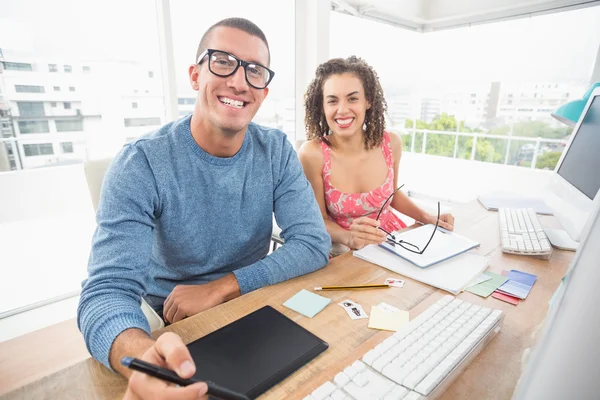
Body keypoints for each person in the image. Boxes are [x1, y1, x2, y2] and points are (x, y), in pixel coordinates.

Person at [78, 17, 330, 399]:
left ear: (263, 92)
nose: (240, 81)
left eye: (255, 71)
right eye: (223, 61)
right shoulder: (142, 163)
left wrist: (223, 287)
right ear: (195, 76)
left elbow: (313, 243)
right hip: (173, 321)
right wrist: (144, 360)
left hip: (249, 306)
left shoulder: (276, 150)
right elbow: (105, 292)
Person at [299, 56, 454, 252]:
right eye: (332, 101)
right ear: (322, 106)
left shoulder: (391, 144)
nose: (342, 110)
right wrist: (349, 238)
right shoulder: (312, 154)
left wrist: (427, 217)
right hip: (345, 250)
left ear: (368, 101)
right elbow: (319, 219)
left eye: (353, 98)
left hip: (393, 239)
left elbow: (393, 195)